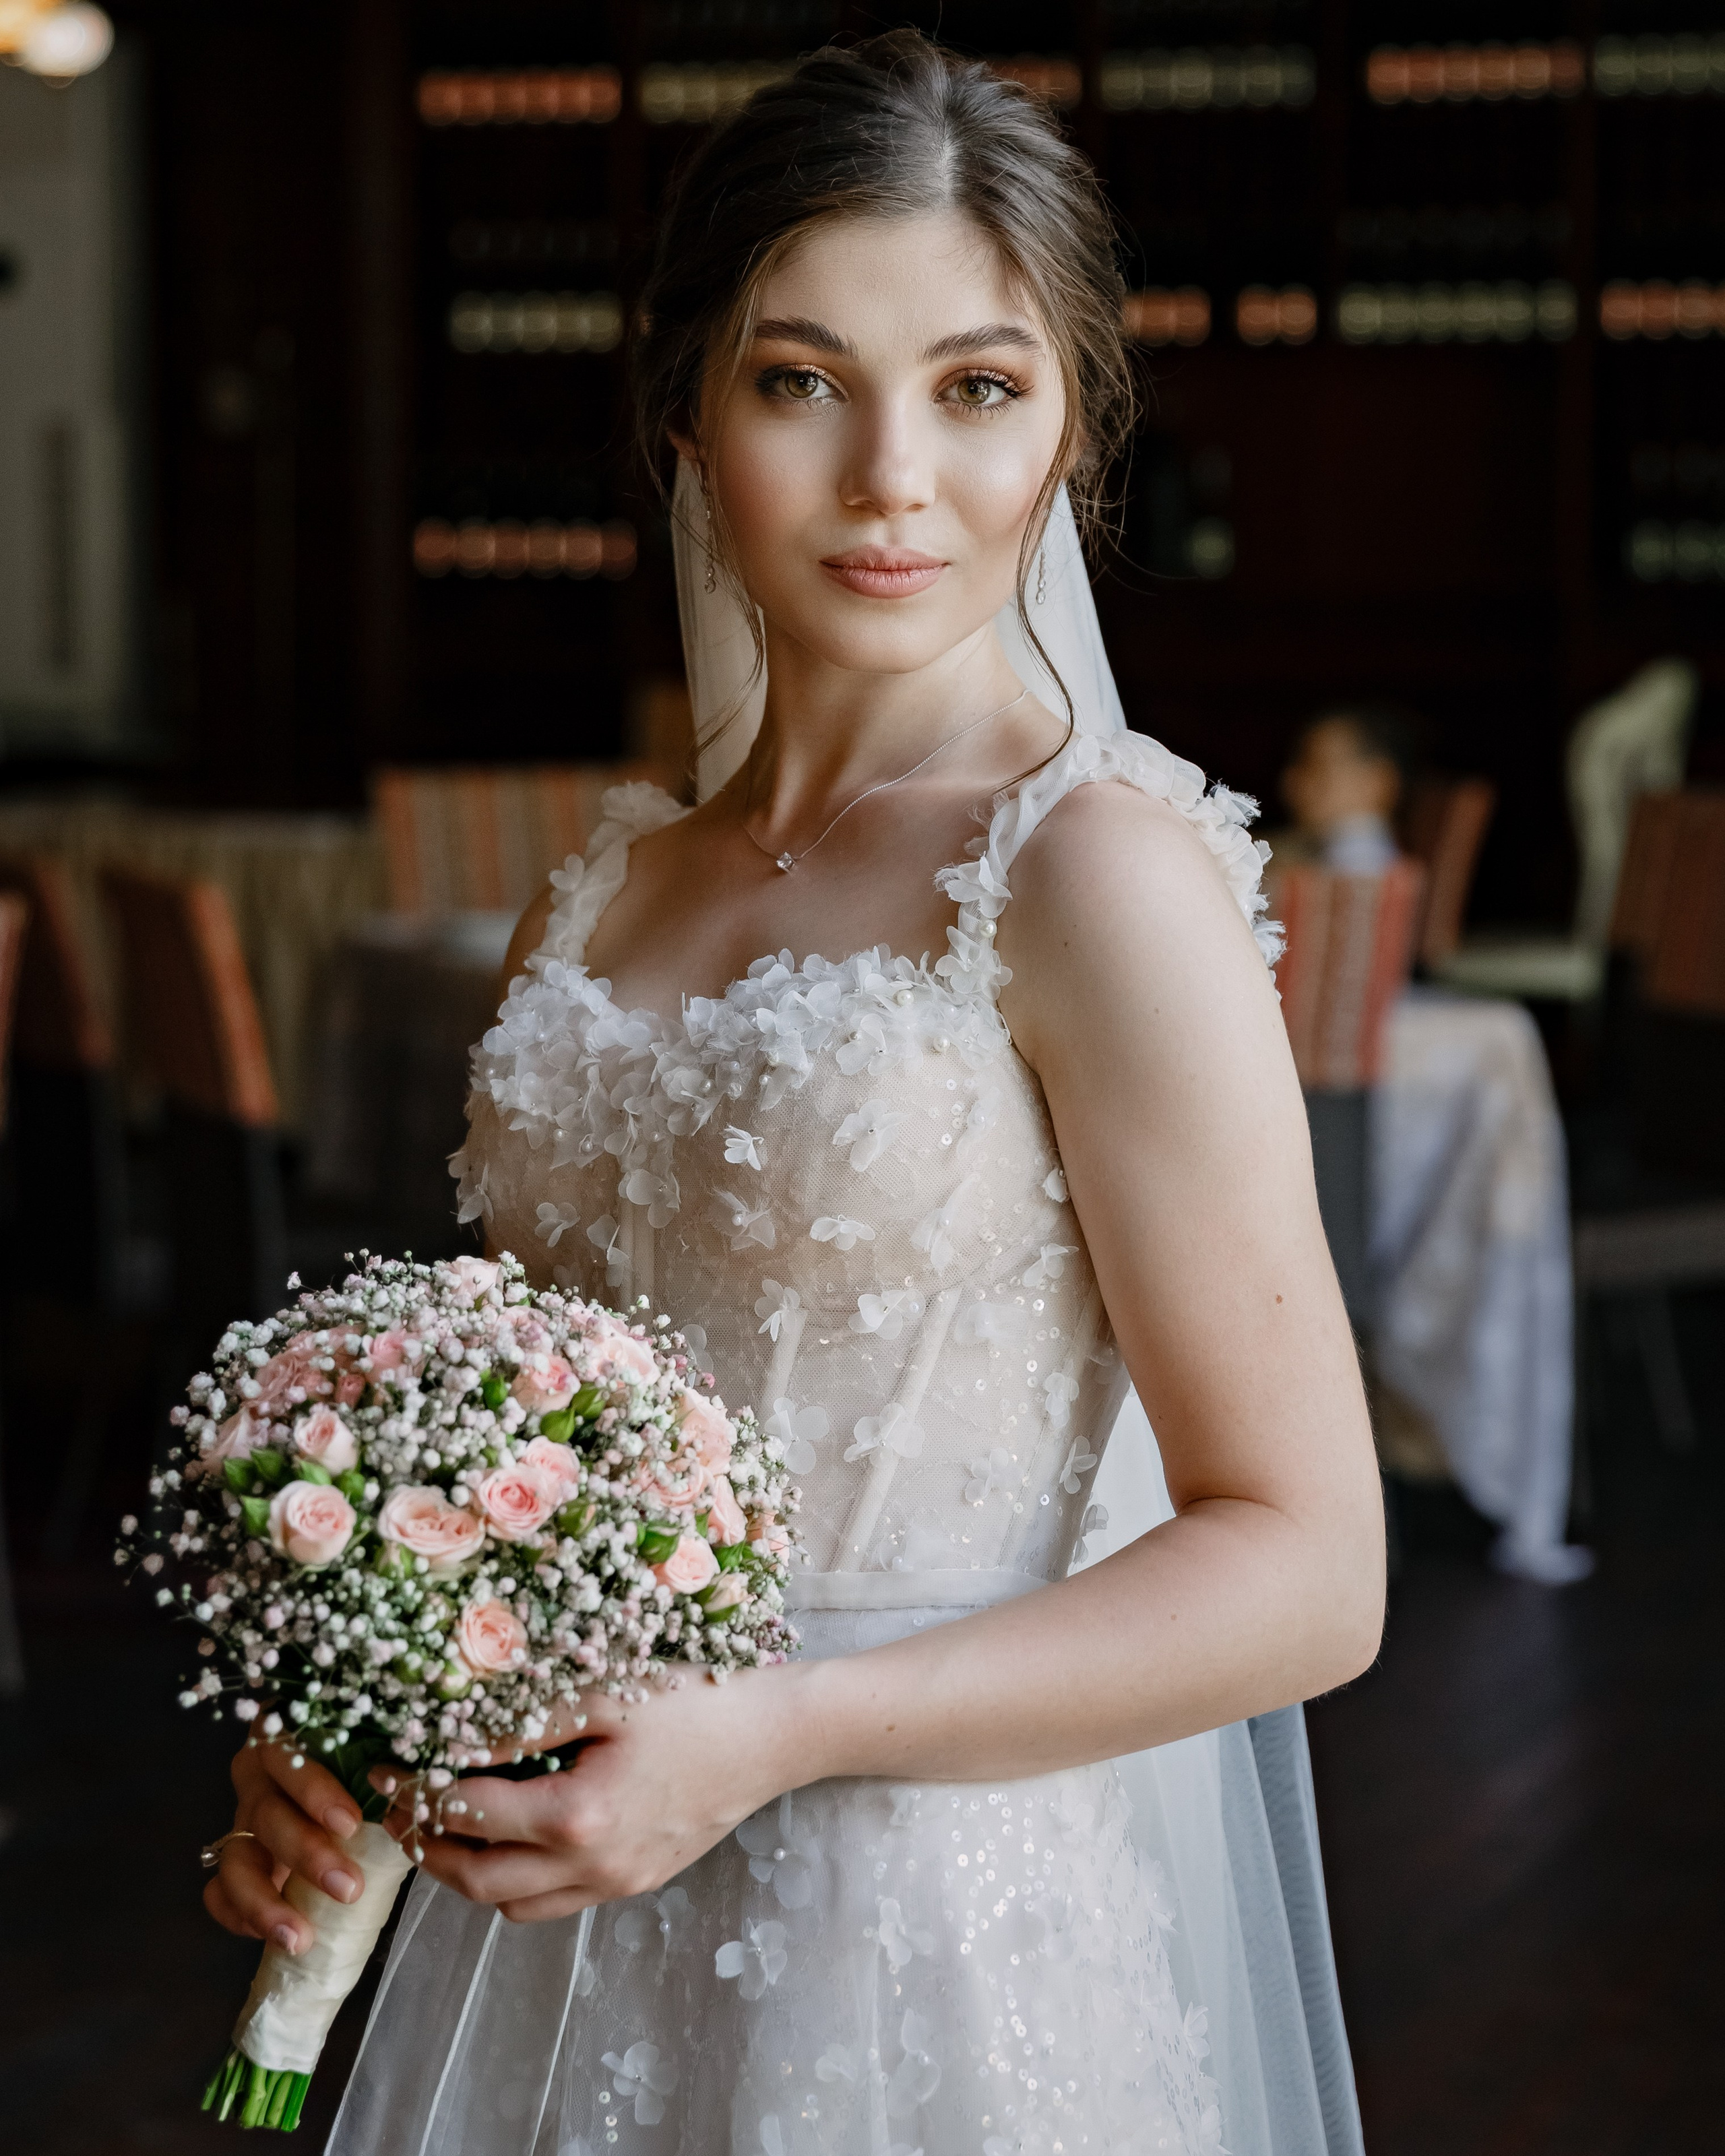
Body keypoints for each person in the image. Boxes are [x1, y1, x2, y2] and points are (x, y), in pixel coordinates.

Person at [203, 35, 1384, 2155]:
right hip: (555, 1938)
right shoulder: (600, 892)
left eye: (975, 383)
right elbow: (522, 1481)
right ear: (682, 413)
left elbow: (1310, 1566)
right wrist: (349, 1728)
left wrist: (775, 1732)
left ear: (1068, 432)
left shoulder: (1089, 872)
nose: (888, 476)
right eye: (796, 379)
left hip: (922, 1946)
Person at [1280, 705, 1422, 875]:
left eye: (1316, 768)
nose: (1291, 783)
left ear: (1377, 781)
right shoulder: (1324, 854)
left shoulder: (1358, 863)